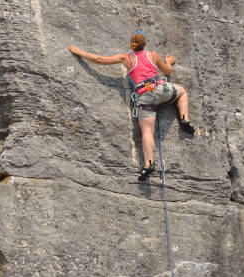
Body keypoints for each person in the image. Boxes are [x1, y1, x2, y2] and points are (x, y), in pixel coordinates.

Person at [68, 31, 195, 181]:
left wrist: (79, 52)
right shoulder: (152, 55)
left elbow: (100, 59)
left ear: (132, 45)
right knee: (182, 92)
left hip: (144, 96)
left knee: (147, 131)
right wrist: (168, 60)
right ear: (145, 43)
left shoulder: (126, 58)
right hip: (161, 89)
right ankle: (184, 118)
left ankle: (148, 164)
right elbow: (168, 71)